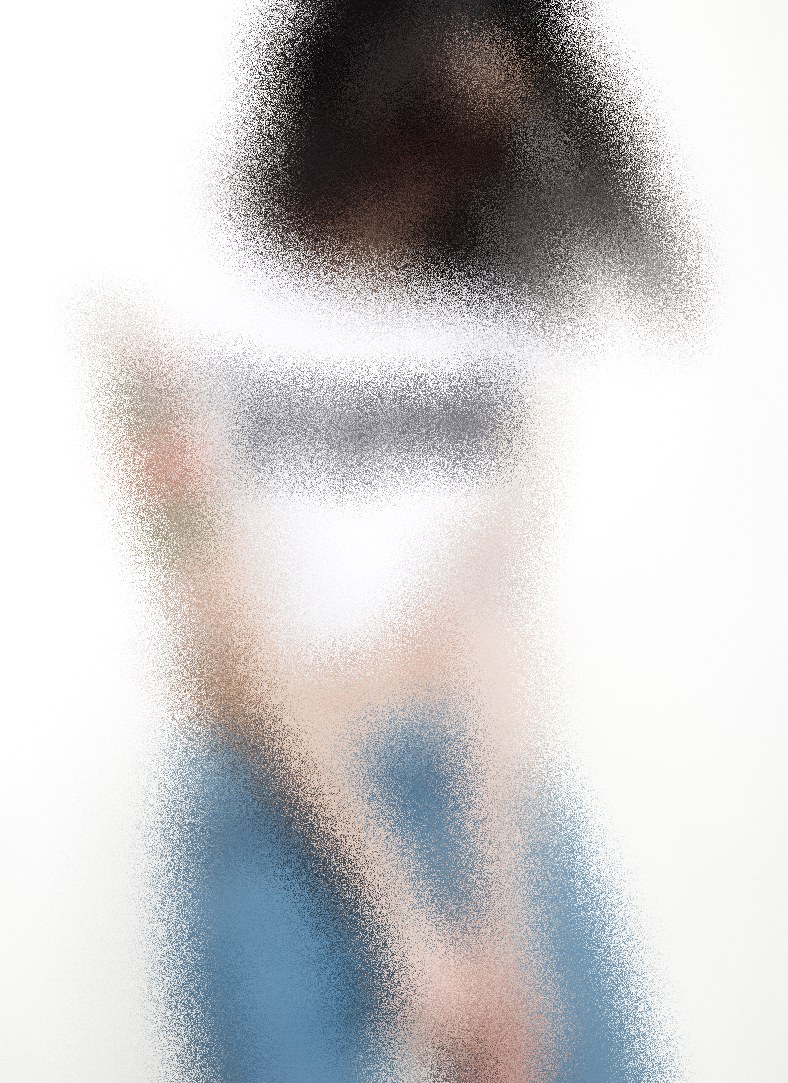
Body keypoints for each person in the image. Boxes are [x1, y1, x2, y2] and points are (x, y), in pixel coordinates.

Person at [97, 1, 694, 1079]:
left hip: (469, 778)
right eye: (421, 119)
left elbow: (488, 617)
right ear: (342, 93)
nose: (431, 175)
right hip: (270, 790)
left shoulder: (503, 333)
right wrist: (407, 927)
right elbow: (229, 628)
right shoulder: (173, 300)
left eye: (482, 137)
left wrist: (503, 921)